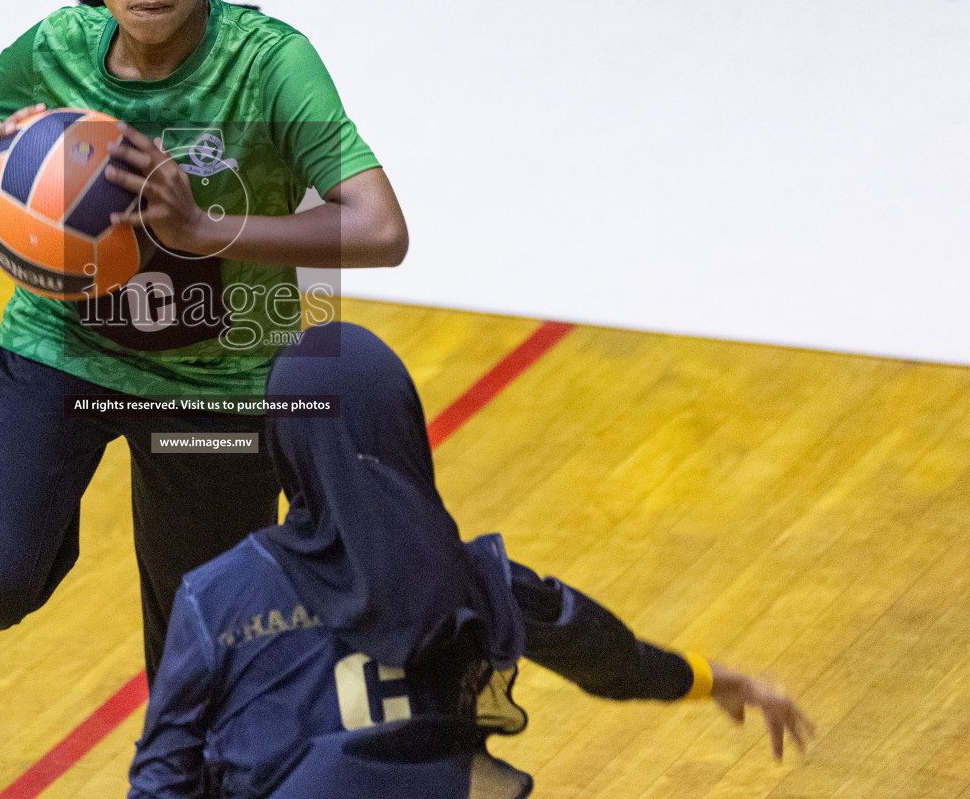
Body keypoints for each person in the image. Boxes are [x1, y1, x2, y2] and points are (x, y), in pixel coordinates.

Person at [0, 0, 409, 679]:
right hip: (65, 352)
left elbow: (380, 228)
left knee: (200, 654)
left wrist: (209, 229)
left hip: (215, 391)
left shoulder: (272, 62)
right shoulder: (56, 48)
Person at [129, 324, 813, 798]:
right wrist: (713, 679)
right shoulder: (477, 580)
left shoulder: (216, 596)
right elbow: (606, 656)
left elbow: (162, 778)